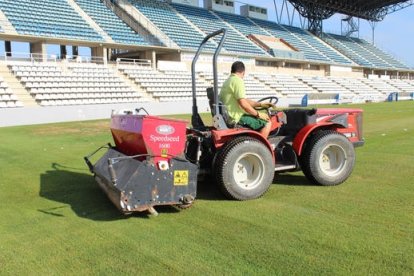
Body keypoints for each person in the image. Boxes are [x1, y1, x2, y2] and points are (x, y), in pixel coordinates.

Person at [219, 61, 273, 138]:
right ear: (243, 72)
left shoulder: (228, 81)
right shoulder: (238, 80)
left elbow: (244, 100)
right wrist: (259, 114)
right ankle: (259, 148)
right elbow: (243, 104)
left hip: (229, 116)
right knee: (267, 123)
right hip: (236, 118)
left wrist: (260, 104)